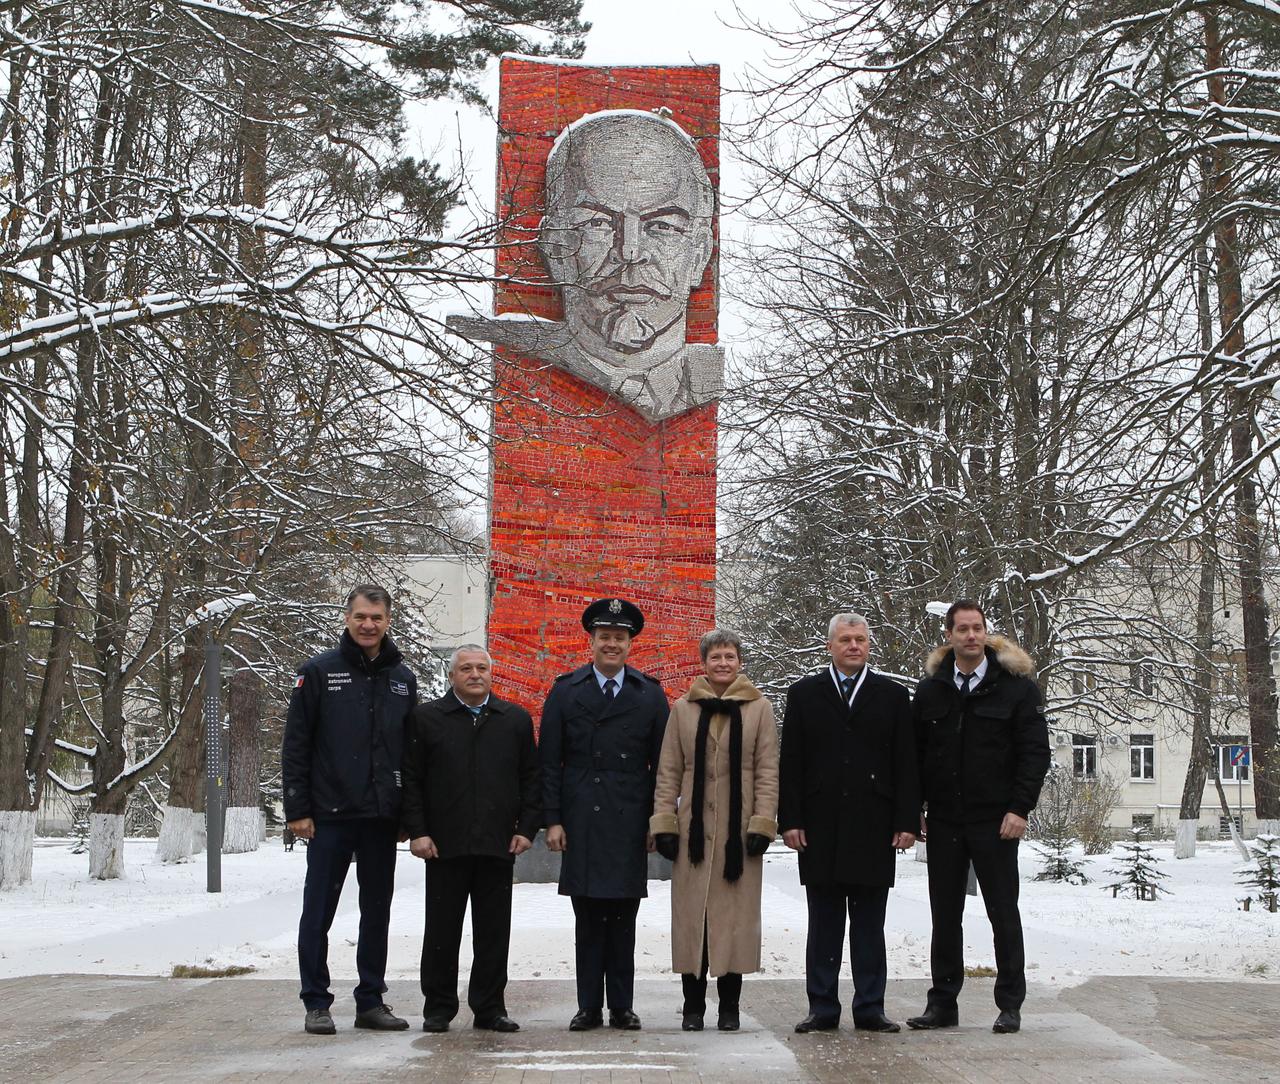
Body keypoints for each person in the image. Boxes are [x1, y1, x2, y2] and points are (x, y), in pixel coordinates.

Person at [449, 110, 722, 422]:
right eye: (598, 223)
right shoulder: (514, 353)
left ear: (700, 254)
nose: (630, 251)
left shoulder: (721, 377)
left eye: (662, 226)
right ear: (555, 248)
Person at [906, 600, 1050, 1035]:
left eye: (978, 628)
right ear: (948, 636)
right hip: (946, 820)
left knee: (1003, 914)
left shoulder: (1017, 688)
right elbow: (915, 755)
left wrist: (1019, 809)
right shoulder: (931, 689)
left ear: (987, 633)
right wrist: (918, 810)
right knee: (944, 915)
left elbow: (1034, 754)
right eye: (962, 629)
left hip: (997, 821)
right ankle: (942, 1004)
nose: (971, 635)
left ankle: (1009, 1004)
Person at [282, 585, 417, 1035]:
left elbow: (409, 753)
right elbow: (296, 745)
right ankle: (316, 1002)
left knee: (376, 912)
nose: (368, 625)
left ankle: (370, 1001)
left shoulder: (402, 679)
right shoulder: (318, 672)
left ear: (388, 621)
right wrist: (298, 809)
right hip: (328, 817)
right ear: (346, 618)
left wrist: (406, 815)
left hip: (380, 818)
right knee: (318, 911)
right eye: (361, 616)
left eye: (376, 618)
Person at [778, 613, 919, 1034]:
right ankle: (822, 1007)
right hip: (819, 827)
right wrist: (791, 819)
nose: (853, 646)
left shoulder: (892, 696)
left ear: (869, 645)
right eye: (845, 639)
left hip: (874, 826)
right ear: (830, 646)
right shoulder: (804, 694)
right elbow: (792, 762)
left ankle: (870, 1007)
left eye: (860, 639)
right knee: (823, 924)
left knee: (869, 925)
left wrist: (907, 820)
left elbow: (906, 763)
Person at [540, 597, 669, 1031]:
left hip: (630, 819)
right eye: (604, 637)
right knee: (588, 918)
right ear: (591, 641)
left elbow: (663, 767)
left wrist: (657, 820)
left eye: (619, 638)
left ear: (630, 644)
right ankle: (588, 1006)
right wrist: (553, 819)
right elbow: (549, 761)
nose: (611, 644)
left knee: (624, 919)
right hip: (581, 819)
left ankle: (623, 1006)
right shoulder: (565, 690)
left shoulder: (650, 695)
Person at [401, 644, 540, 1034]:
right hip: (444, 845)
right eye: (466, 668)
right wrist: (418, 830)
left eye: (482, 667)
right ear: (452, 676)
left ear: (491, 674)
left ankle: (490, 1007)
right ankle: (439, 1008)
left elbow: (532, 778)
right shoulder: (427, 719)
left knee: (494, 933)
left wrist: (526, 829)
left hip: (498, 844)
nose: (475, 674)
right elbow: (411, 779)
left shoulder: (513, 719)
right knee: (442, 931)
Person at [650, 629, 779, 1032]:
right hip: (692, 832)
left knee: (734, 922)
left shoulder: (759, 708)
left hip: (737, 835)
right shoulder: (683, 709)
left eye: (730, 656)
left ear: (740, 662)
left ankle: (729, 1007)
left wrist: (763, 821)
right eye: (715, 657)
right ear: (703, 663)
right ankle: (692, 1006)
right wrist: (665, 823)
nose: (723, 663)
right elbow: (669, 770)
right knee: (692, 921)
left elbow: (767, 771)